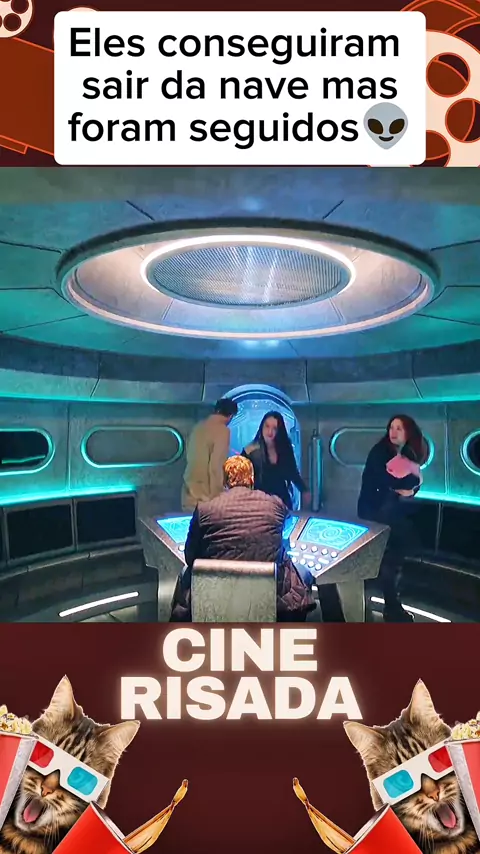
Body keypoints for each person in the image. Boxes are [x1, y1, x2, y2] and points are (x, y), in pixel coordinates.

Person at [171, 455, 316, 622]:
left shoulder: (205, 509)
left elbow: (190, 556)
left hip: (216, 595)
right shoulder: (275, 504)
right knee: (303, 572)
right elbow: (282, 534)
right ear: (252, 479)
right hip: (271, 597)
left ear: (225, 481)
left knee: (185, 573)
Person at [357, 414, 427, 623]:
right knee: (391, 554)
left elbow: (413, 482)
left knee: (392, 557)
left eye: (399, 428)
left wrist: (410, 488)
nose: (393, 432)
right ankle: (388, 606)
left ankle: (389, 604)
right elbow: (386, 479)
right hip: (375, 512)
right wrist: (407, 485)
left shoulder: (405, 453)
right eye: (391, 427)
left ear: (408, 432)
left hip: (389, 510)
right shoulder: (380, 451)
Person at [242, 411, 311, 510]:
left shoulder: (284, 448)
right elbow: (241, 477)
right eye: (267, 426)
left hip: (281, 501)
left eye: (274, 428)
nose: (270, 432)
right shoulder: (250, 450)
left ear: (279, 430)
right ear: (261, 427)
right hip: (258, 502)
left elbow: (293, 472)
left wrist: (304, 490)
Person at [181, 398, 238, 511]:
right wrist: (218, 496)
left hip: (188, 491)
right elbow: (216, 467)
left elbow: (189, 455)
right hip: (205, 496)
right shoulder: (223, 431)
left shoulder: (198, 427)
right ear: (231, 416)